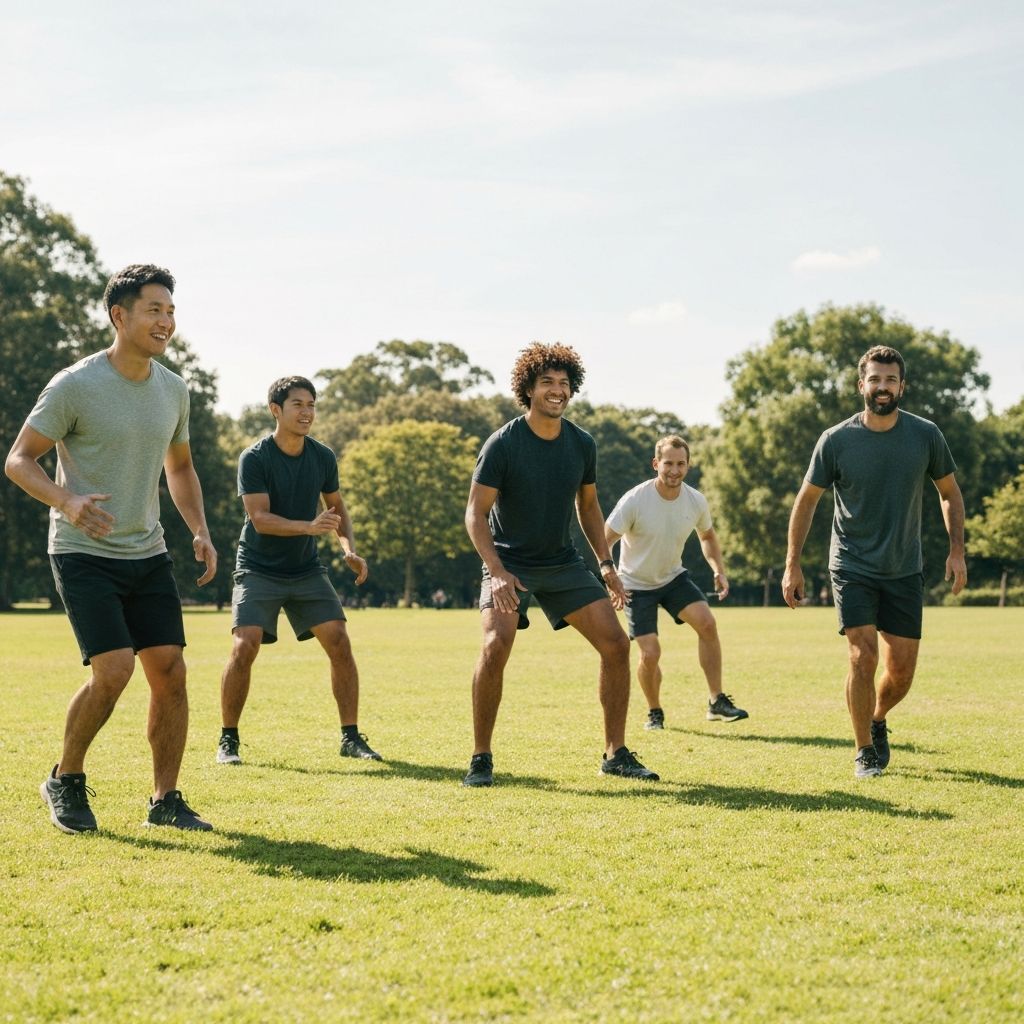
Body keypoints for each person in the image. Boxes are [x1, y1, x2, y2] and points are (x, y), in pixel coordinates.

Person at [4, 264, 217, 833]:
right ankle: (66, 778)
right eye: (154, 310)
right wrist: (66, 501)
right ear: (119, 316)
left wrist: (199, 529)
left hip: (147, 551)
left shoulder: (174, 389)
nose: (166, 321)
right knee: (115, 669)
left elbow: (180, 467)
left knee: (169, 670)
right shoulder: (75, 385)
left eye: (170, 311)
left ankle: (165, 800)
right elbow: (19, 460)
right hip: (82, 551)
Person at [462, 342, 659, 787]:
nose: (557, 390)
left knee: (616, 644)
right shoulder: (503, 444)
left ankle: (615, 753)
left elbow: (588, 507)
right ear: (528, 390)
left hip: (561, 561)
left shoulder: (581, 443)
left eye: (564, 383)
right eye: (547, 382)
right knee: (495, 645)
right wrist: (497, 571)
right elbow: (475, 514)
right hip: (509, 561)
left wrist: (605, 564)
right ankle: (480, 757)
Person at [782, 345, 967, 778]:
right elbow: (806, 501)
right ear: (860, 384)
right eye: (875, 379)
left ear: (902, 386)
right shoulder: (836, 440)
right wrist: (793, 563)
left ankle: (877, 718)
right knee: (861, 656)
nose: (882, 387)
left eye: (890, 380)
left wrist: (957, 549)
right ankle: (864, 748)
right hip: (852, 564)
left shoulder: (925, 435)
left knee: (900, 671)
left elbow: (949, 493)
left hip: (904, 567)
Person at [216, 376, 380, 766]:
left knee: (339, 640)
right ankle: (228, 740)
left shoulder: (323, 457)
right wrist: (308, 527)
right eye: (298, 405)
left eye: (311, 405)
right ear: (276, 410)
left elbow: (336, 509)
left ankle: (351, 737)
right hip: (257, 567)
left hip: (305, 569)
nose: (307, 413)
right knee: (245, 645)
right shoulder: (254, 458)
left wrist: (349, 549)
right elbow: (259, 519)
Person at [604, 435, 748, 731]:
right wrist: (610, 575)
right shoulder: (635, 500)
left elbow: (707, 536)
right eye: (668, 463)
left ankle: (716, 701)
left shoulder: (695, 500)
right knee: (650, 653)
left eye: (680, 464)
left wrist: (718, 570)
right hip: (635, 585)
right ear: (655, 464)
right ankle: (654, 711)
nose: (674, 470)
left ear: (688, 466)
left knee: (707, 624)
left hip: (672, 578)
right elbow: (604, 539)